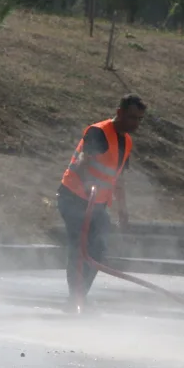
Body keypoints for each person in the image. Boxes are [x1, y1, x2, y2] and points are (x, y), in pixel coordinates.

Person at [57, 94, 147, 310]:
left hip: (97, 204)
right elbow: (82, 161)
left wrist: (123, 212)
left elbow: (118, 178)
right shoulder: (98, 132)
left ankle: (80, 295)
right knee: (80, 247)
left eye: (139, 119)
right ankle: (76, 298)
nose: (134, 123)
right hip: (74, 197)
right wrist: (88, 183)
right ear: (119, 113)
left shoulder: (126, 141)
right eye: (131, 117)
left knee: (98, 248)